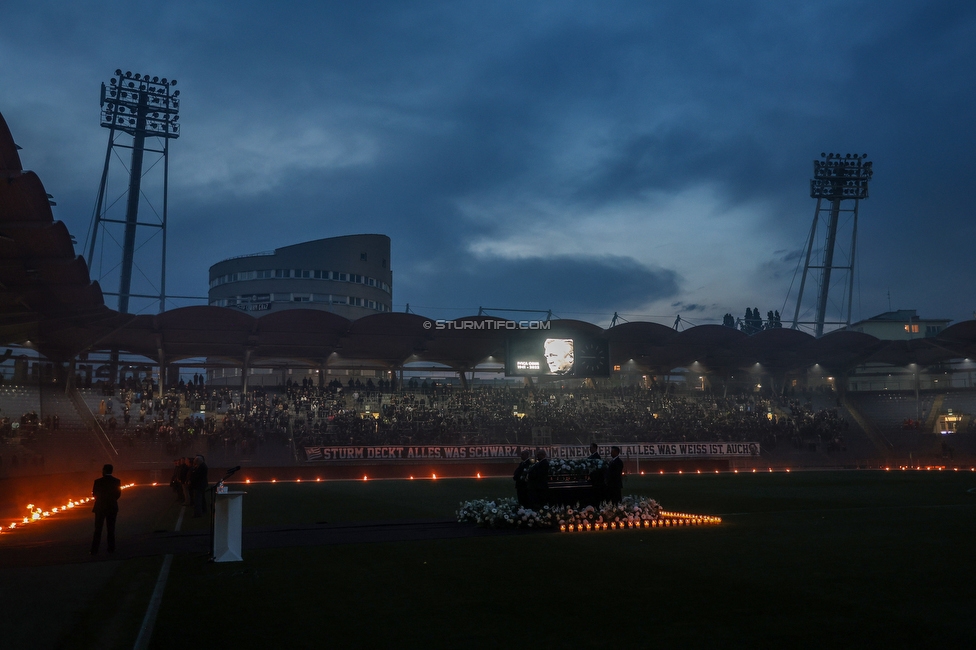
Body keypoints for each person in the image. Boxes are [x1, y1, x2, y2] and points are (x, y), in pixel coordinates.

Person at [91, 464, 121, 555]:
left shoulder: (98, 481)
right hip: (112, 507)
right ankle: (111, 548)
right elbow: (118, 494)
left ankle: (94, 550)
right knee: (111, 529)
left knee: (98, 529)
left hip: (100, 507)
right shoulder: (116, 481)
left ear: (104, 470)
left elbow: (94, 494)